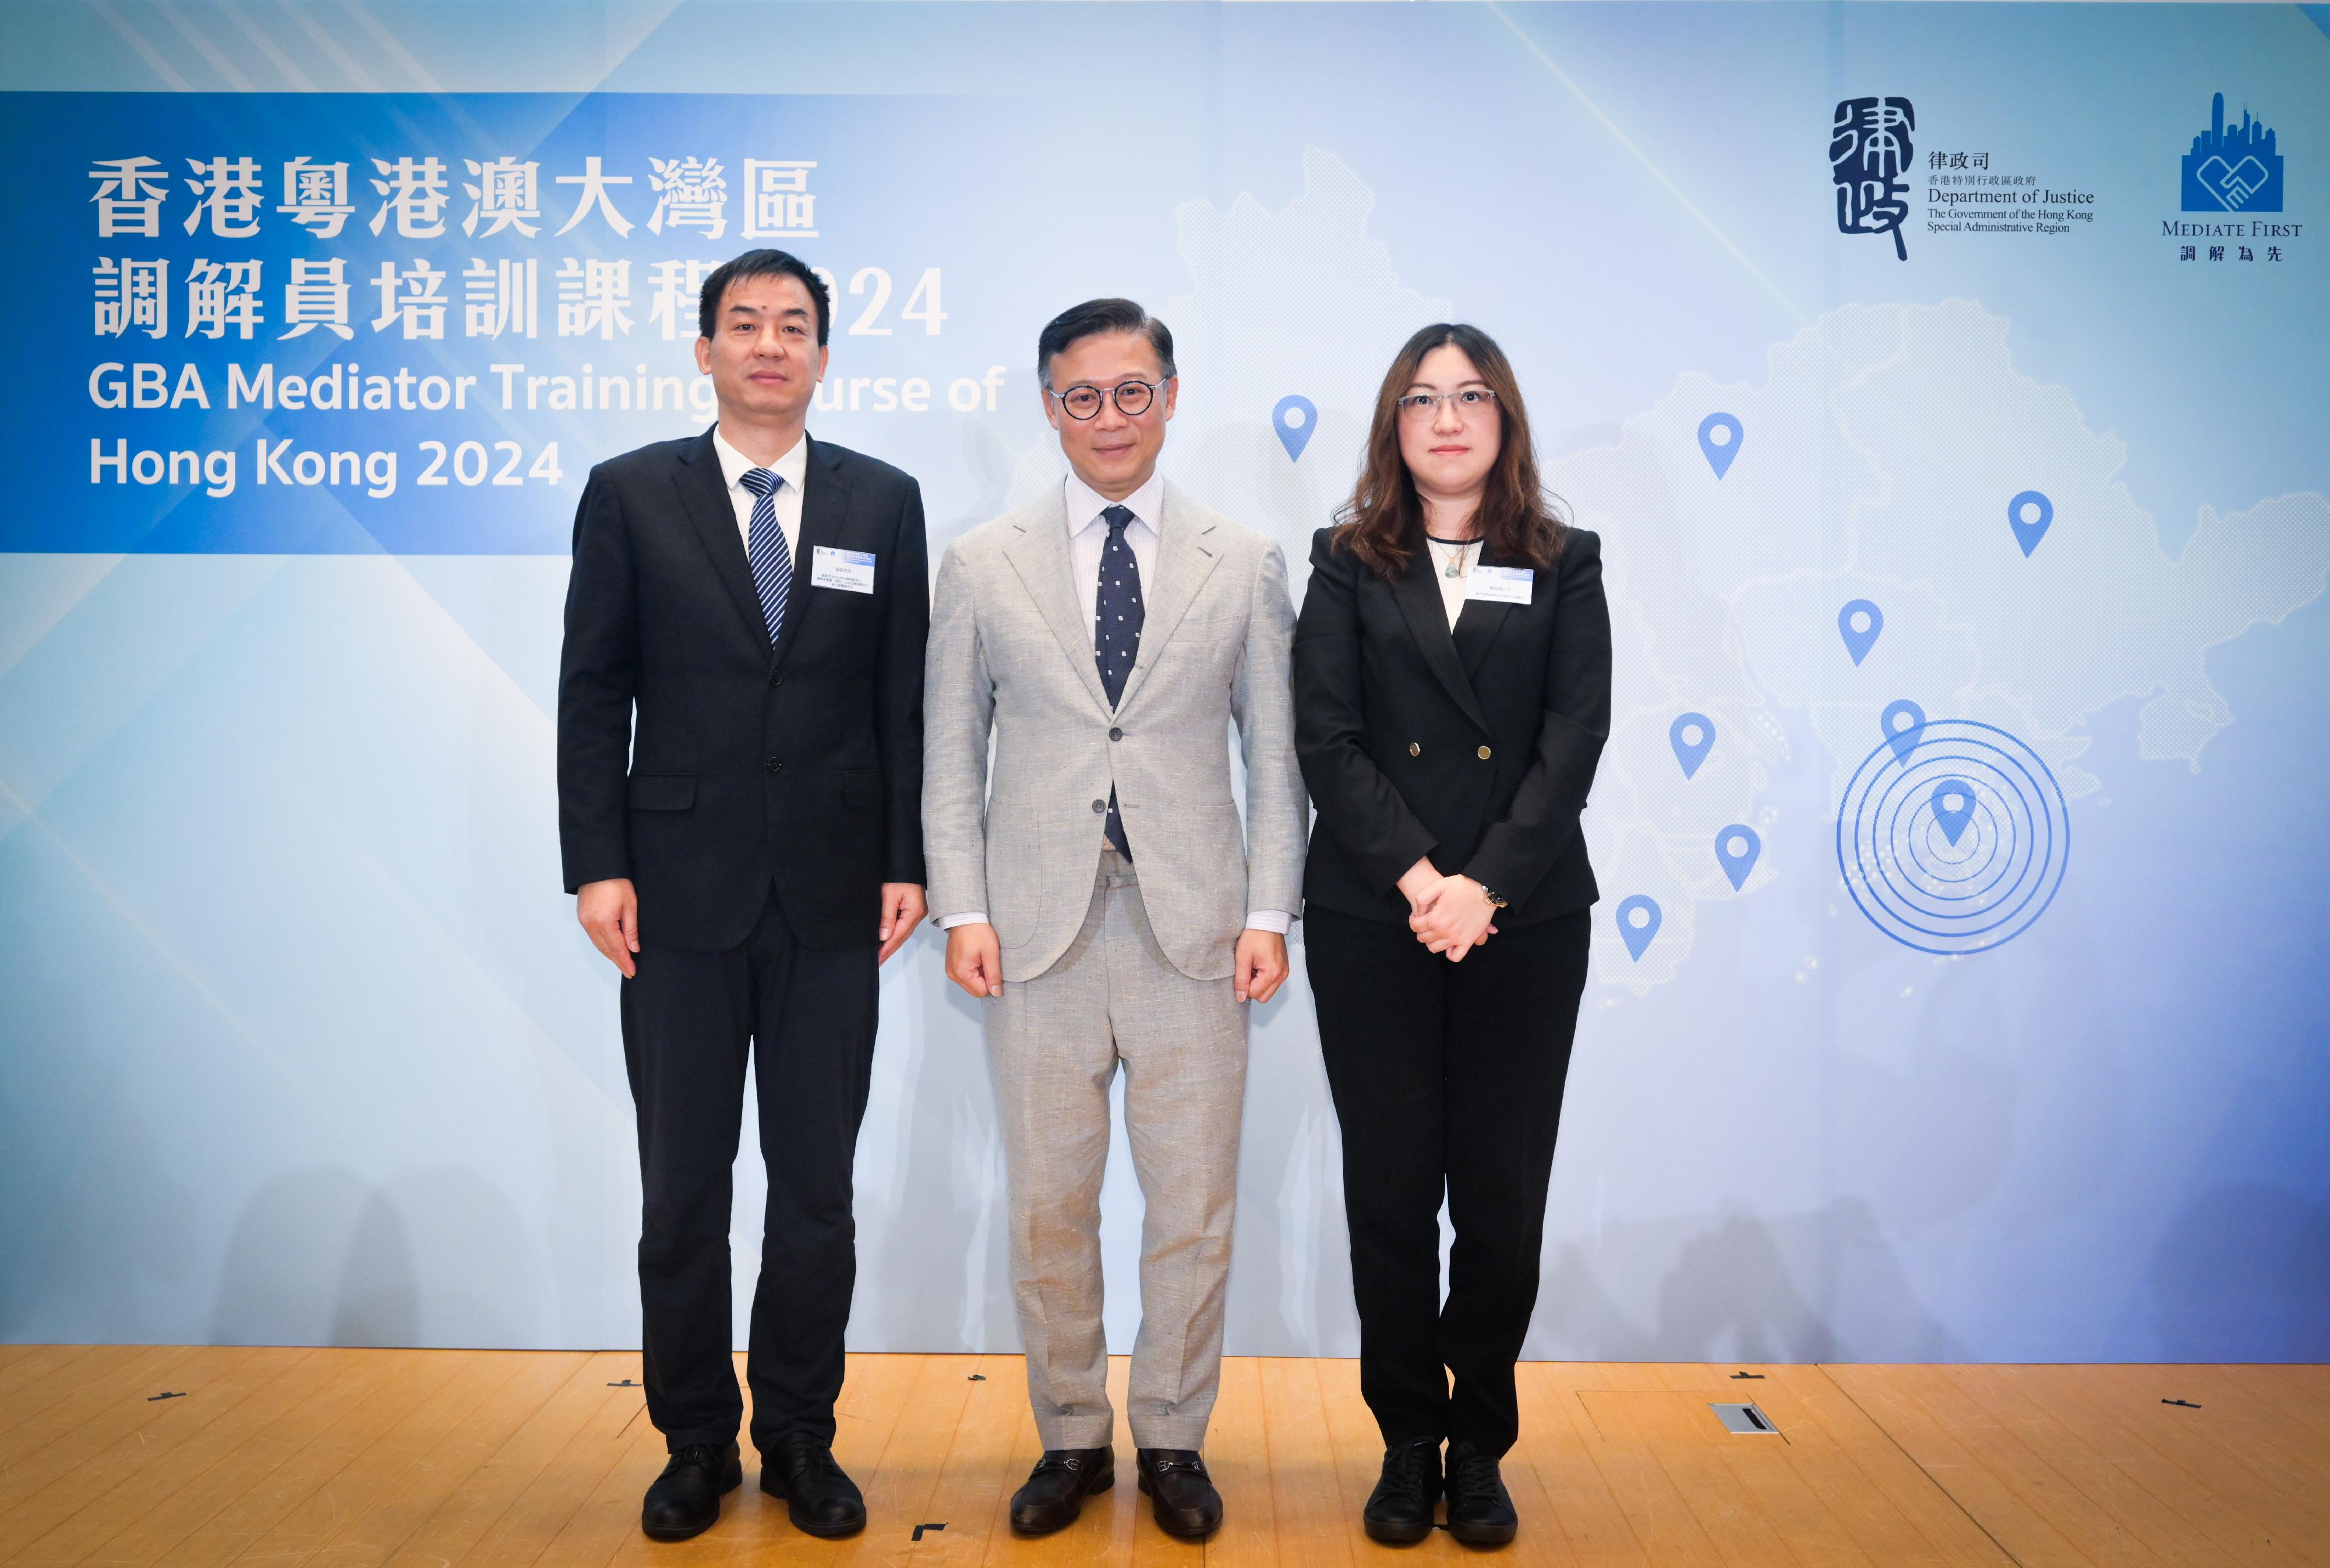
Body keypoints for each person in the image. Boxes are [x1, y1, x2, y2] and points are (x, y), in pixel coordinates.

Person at [557, 248, 929, 1543]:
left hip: (833, 896)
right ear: (703, 347)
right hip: (673, 894)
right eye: (743, 323)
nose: (769, 344)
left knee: (815, 1190)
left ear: (824, 354)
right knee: (683, 1191)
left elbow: (899, 699)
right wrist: (597, 860)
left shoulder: (884, 501)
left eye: (794, 326)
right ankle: (695, 1441)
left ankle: (799, 1435)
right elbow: (593, 688)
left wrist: (906, 857)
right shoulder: (629, 496)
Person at [922, 298, 1306, 1539]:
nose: (1107, 416)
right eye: (1080, 395)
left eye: (1129, 390)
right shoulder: (980, 562)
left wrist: (1267, 910)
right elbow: (947, 756)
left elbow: (1278, 755)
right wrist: (961, 905)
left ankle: (1176, 1435)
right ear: (1048, 406)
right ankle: (1072, 1434)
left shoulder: (1241, 560)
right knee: (1050, 1201)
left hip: (1194, 929)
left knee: (1191, 1204)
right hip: (1033, 927)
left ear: (1170, 396)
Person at [1292, 323, 1610, 1547]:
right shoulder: (1342, 562)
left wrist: (1484, 884)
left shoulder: (1563, 559)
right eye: (1420, 398)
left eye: (1469, 396)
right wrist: (1425, 880)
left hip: (1523, 919)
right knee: (1387, 1192)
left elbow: (1570, 742)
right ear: (1392, 425)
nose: (1445, 417)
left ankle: (1476, 1443)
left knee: (1498, 1200)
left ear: (1504, 418)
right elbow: (1328, 740)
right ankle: (1403, 1440)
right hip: (1375, 916)